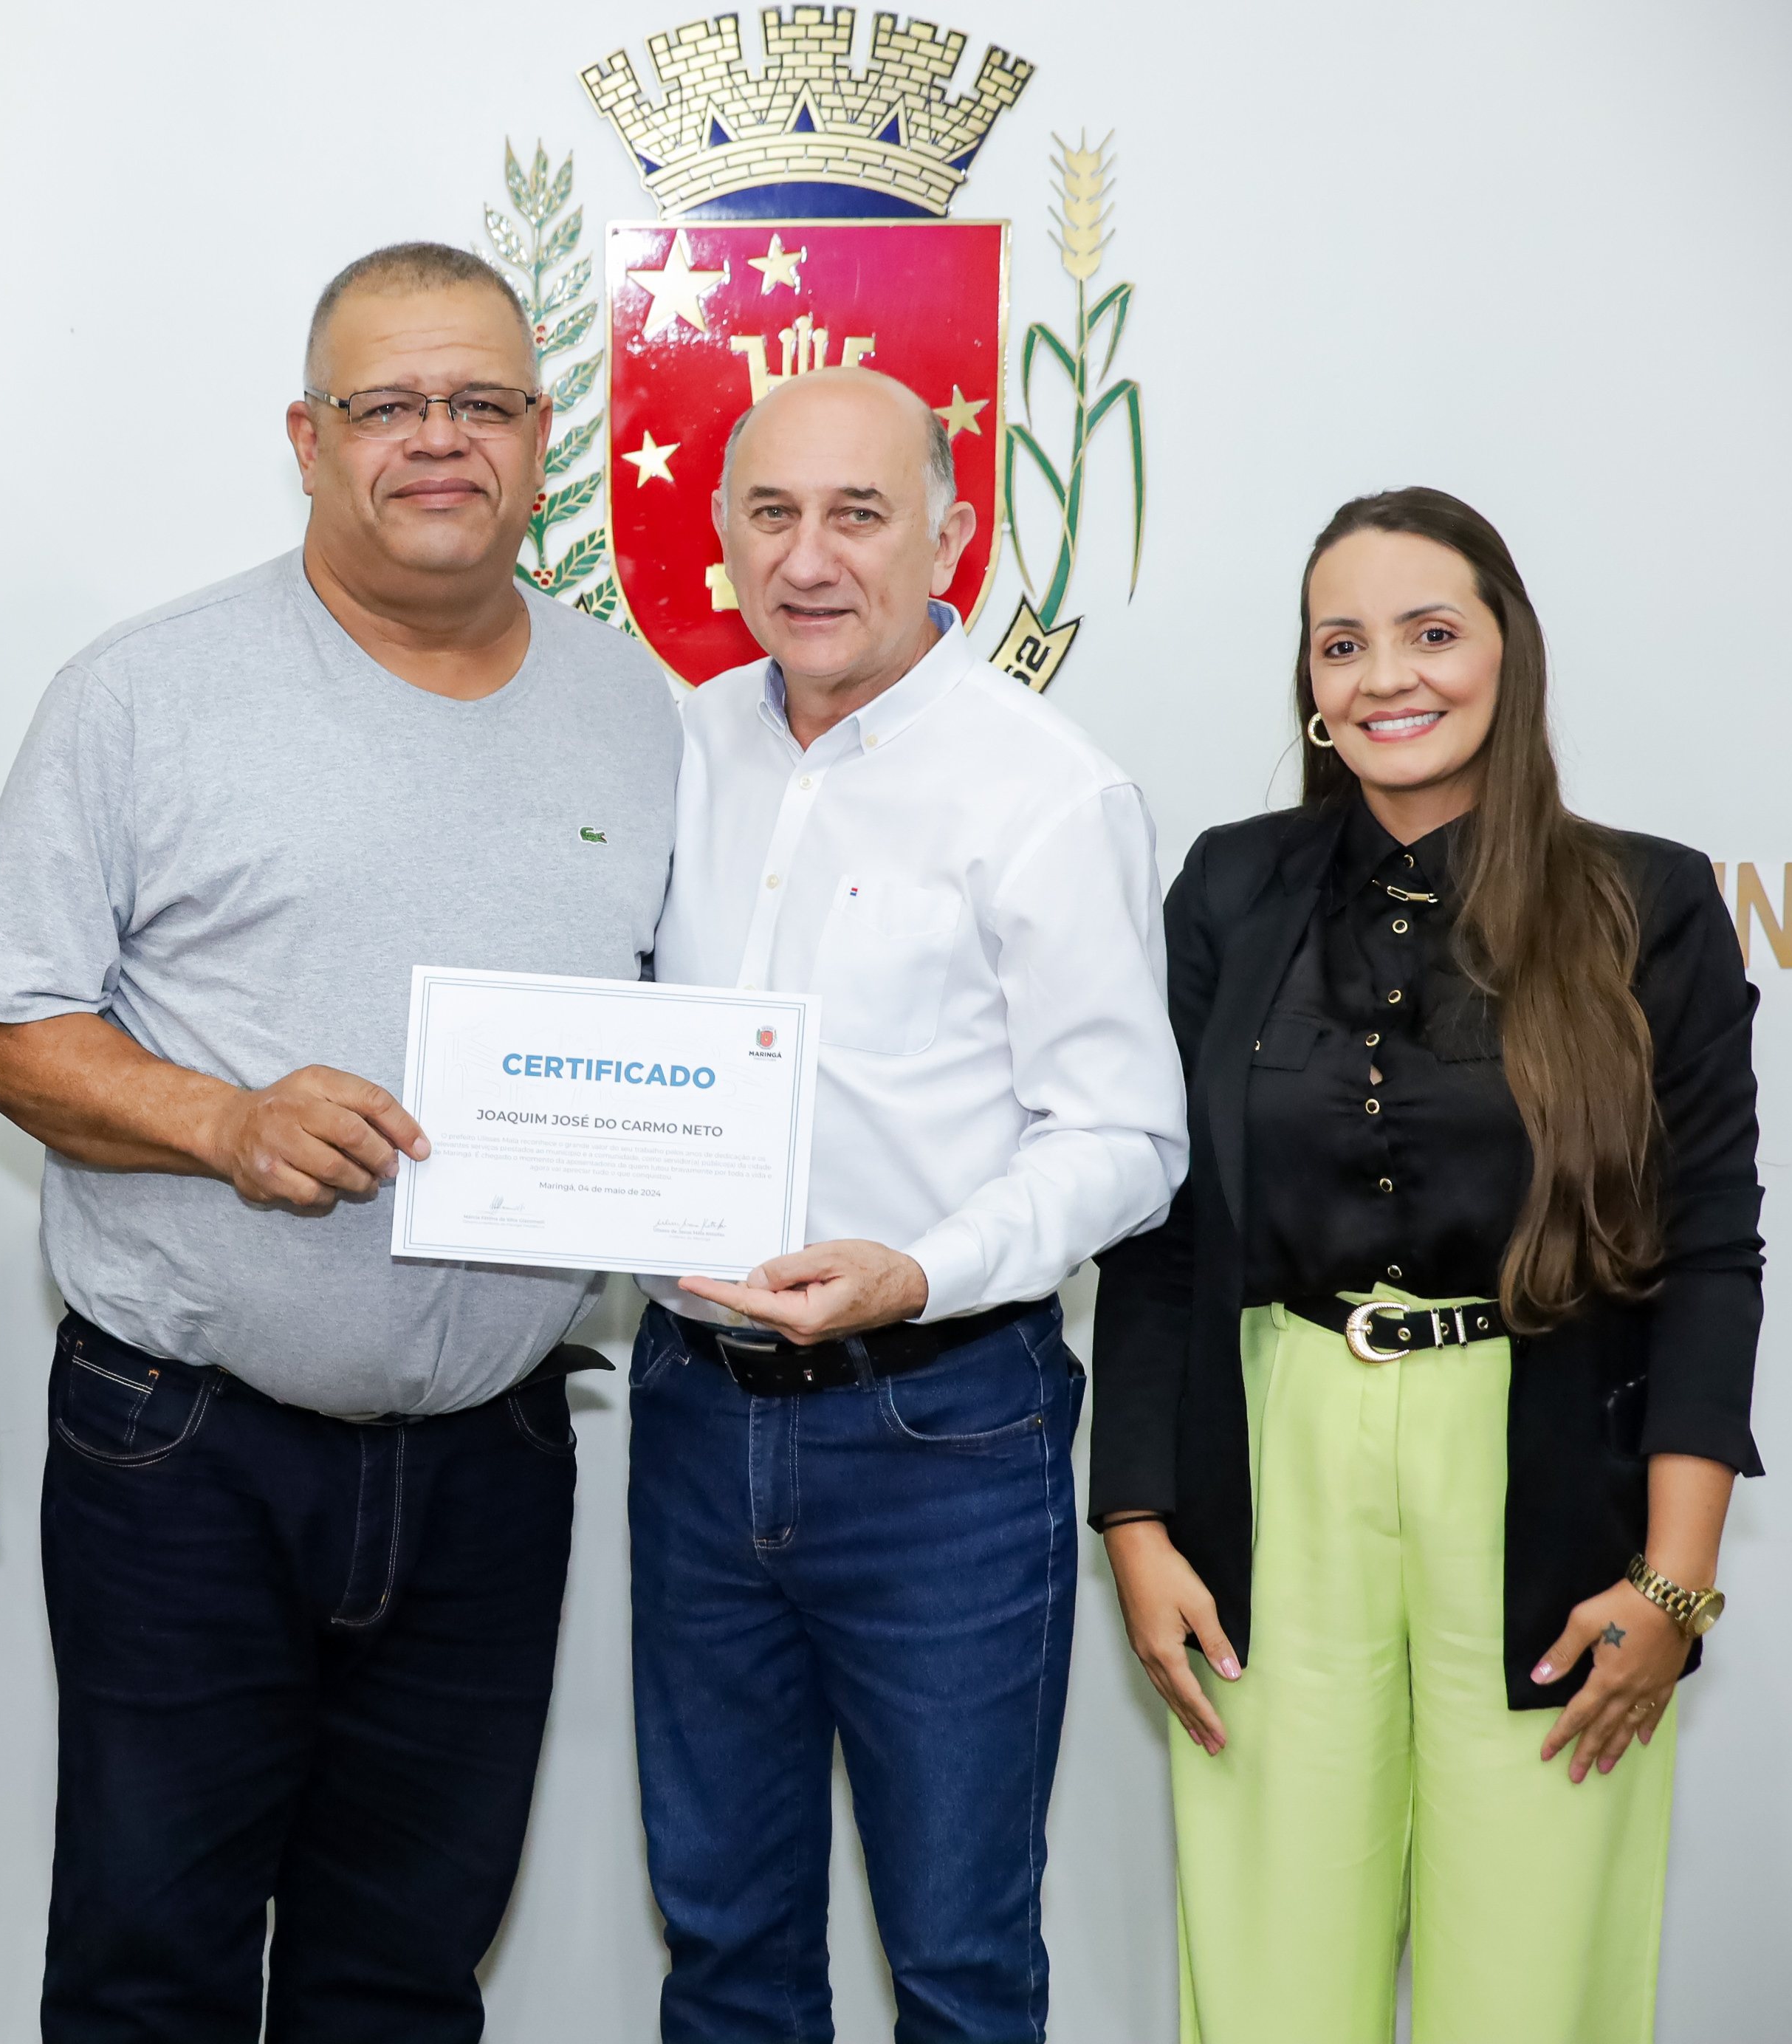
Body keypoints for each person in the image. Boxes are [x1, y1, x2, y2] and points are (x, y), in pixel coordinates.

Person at [0, 241, 678, 2043]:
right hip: (189, 1453)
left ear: (543, 437)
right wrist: (224, 1122)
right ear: (306, 437)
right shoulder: (144, 691)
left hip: (495, 1463)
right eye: (386, 404)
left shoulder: (636, 711)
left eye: (480, 402)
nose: (437, 439)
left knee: (405, 1980)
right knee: (150, 1972)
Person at [1091, 487, 1762, 2043]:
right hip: (1275, 1459)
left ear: (1508, 653)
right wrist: (1134, 1519)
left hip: (1547, 1464)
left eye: (1431, 632)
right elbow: (1163, 1234)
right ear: (1310, 687)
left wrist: (1674, 1583)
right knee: (1270, 1969)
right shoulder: (1228, 887)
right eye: (1341, 645)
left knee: (1531, 1976)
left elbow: (1710, 1252)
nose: (1385, 675)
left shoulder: (1645, 901)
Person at [631, 367, 1187, 2044]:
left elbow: (1127, 1139)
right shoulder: (673, 751)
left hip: (938, 1434)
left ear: (950, 539)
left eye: (857, 515)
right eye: (771, 513)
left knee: (957, 1962)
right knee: (723, 1947)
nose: (808, 559)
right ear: (722, 534)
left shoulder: (1044, 788)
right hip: (692, 1414)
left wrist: (919, 1270)